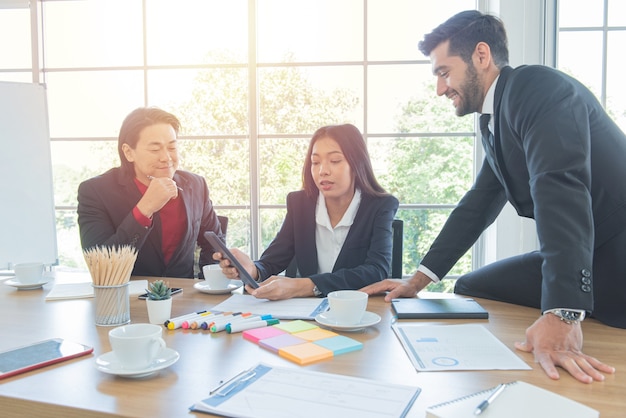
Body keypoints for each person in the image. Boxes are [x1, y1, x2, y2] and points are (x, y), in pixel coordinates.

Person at [362, 10, 625, 384]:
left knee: (568, 309)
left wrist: (564, 311)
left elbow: (561, 188)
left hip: (618, 252)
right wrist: (417, 281)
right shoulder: (495, 119)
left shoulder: (537, 89)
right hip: (589, 252)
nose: (440, 88)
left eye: (443, 72)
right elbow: (479, 203)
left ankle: (571, 330)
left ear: (481, 56)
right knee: (473, 287)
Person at [213, 123, 399, 300]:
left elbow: (376, 271)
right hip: (308, 315)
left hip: (356, 311)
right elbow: (273, 260)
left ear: (357, 165)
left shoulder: (380, 206)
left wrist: (304, 286)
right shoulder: (300, 204)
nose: (323, 171)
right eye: (315, 162)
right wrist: (252, 269)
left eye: (335, 161)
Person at [77, 107, 224, 278]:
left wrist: (206, 284)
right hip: (127, 298)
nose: (166, 157)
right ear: (128, 152)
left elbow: (214, 243)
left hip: (186, 297)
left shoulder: (196, 185)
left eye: (172, 147)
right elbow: (100, 264)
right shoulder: (96, 191)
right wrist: (144, 209)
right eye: (155, 150)